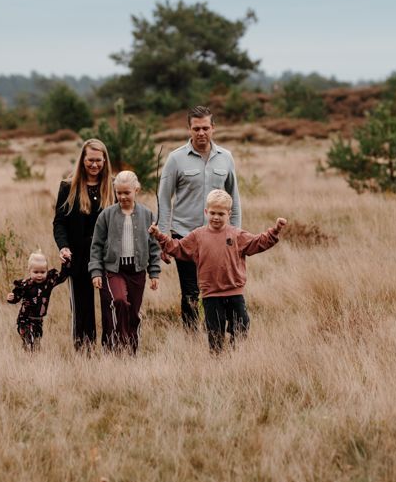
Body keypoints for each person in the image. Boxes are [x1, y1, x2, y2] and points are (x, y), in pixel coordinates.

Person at [149, 190, 285, 353]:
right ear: (206, 212)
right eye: (212, 213)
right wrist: (159, 236)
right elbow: (178, 248)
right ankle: (217, 359)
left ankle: (237, 355)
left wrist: (275, 231)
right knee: (215, 332)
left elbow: (257, 242)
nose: (216, 217)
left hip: (234, 291)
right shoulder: (198, 236)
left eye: (221, 214)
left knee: (242, 325)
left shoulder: (236, 235)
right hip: (211, 294)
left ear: (229, 214)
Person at [156, 105, 242, 331]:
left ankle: (218, 334)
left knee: (219, 289)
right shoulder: (175, 159)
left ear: (213, 128)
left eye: (205, 128)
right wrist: (164, 238)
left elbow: (234, 197)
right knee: (191, 292)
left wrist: (237, 236)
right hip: (184, 236)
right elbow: (164, 199)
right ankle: (192, 337)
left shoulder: (226, 158)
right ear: (189, 129)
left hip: (219, 238)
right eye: (196, 128)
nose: (201, 133)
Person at [52, 138, 115, 350]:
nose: (94, 165)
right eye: (90, 160)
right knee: (82, 308)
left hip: (108, 258)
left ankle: (113, 349)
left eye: (98, 160)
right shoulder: (68, 187)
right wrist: (63, 246)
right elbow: (59, 223)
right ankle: (84, 351)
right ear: (83, 160)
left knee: (111, 304)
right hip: (78, 257)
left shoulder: (114, 187)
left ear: (105, 161)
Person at [89, 170, 160, 353]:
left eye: (126, 192)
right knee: (119, 301)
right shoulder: (107, 215)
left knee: (134, 312)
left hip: (137, 271)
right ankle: (116, 347)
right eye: (118, 193)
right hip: (114, 269)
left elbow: (153, 246)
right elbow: (96, 245)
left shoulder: (147, 215)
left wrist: (154, 273)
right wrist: (96, 272)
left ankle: (131, 349)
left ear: (136, 190)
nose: (122, 197)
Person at [7, 251, 70, 351]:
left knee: (36, 342)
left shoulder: (49, 282)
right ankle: (28, 355)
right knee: (30, 341)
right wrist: (12, 298)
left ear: (46, 270)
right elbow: (17, 296)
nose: (39, 275)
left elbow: (62, 277)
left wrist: (65, 263)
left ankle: (31, 358)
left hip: (38, 320)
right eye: (36, 272)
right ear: (29, 271)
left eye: (42, 272)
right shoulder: (26, 285)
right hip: (25, 319)